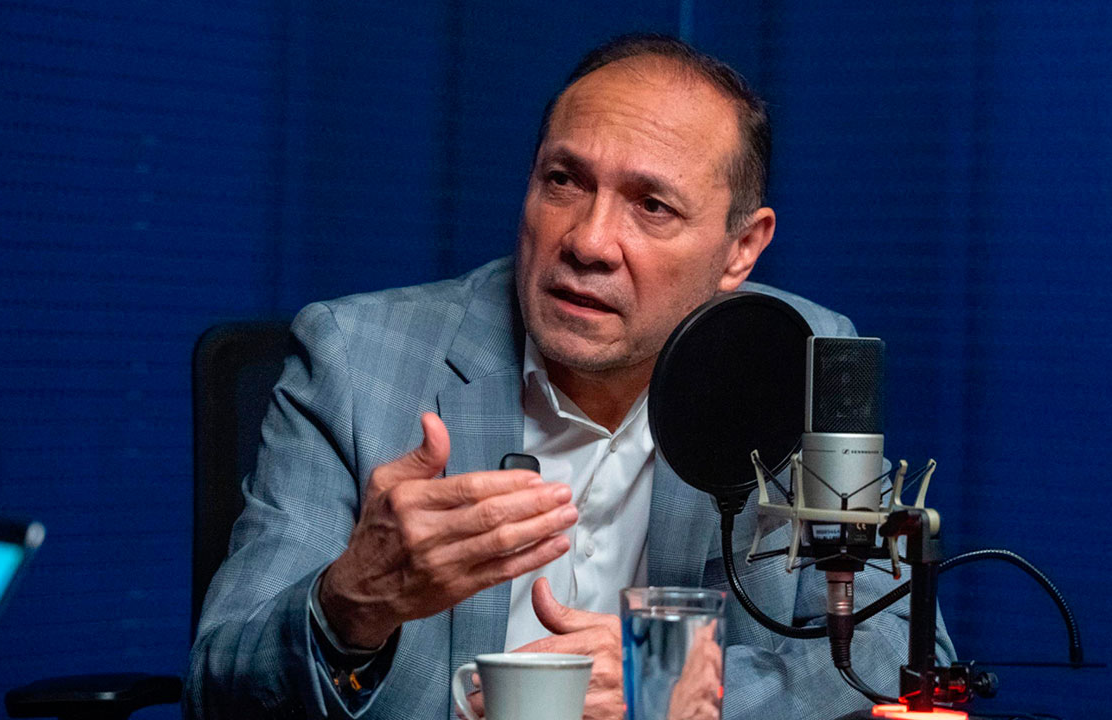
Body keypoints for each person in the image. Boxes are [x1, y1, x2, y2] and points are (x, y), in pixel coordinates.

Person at [184, 33, 954, 720]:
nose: (588, 241)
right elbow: (219, 684)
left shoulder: (798, 358)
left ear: (741, 249)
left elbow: (900, 655)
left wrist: (680, 691)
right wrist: (350, 606)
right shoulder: (355, 361)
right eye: (563, 181)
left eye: (652, 206)